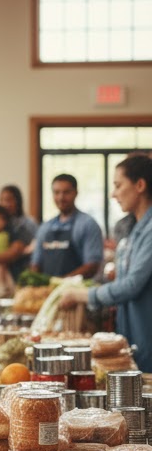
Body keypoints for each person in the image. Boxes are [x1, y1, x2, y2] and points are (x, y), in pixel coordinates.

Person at [60, 154, 152, 372]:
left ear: (140, 185)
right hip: (132, 333)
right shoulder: (135, 229)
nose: (113, 194)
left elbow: (131, 285)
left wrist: (82, 295)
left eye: (118, 185)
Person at [30, 173, 104, 279]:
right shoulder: (45, 228)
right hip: (48, 291)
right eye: (56, 192)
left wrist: (62, 283)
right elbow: (36, 264)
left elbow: (92, 265)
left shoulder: (87, 224)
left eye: (66, 192)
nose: (61, 197)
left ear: (76, 193)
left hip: (78, 291)